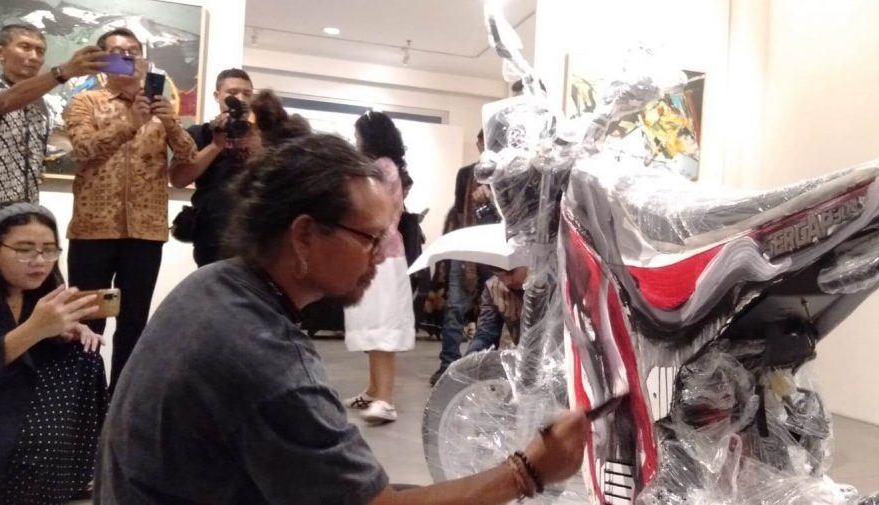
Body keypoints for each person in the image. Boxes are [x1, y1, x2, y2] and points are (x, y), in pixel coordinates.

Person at [93, 90, 588, 504]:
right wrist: (528, 471)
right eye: (369, 239)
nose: (379, 255)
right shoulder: (265, 358)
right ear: (304, 235)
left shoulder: (212, 285)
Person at [63, 28, 196, 393]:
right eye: (117, 52)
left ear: (144, 60)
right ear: (102, 61)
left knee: (134, 320)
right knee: (88, 320)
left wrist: (170, 121)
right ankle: (83, 399)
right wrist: (130, 124)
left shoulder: (160, 107)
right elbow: (83, 149)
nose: (127, 57)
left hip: (146, 231)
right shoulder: (85, 102)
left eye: (133, 51)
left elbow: (189, 156)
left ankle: (121, 397)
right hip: (93, 228)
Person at [0, 202, 106, 503]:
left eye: (49, 250)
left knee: (85, 354)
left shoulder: (40, 295)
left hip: (20, 387)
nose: (39, 261)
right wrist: (35, 329)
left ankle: (71, 474)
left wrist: (65, 332)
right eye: (24, 250)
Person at [342, 111, 415, 424]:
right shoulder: (384, 166)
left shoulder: (382, 168)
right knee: (372, 324)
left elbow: (372, 211)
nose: (355, 141)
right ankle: (374, 391)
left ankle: (385, 400)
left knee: (382, 327)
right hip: (377, 253)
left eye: (358, 136)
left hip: (381, 255)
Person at [0, 24, 107, 202]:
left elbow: (62, 141)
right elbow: (6, 101)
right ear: (0, 53)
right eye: (25, 47)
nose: (34, 57)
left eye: (40, 51)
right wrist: (64, 71)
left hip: (26, 207)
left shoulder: (44, 103)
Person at [170, 68, 260, 267]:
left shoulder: (263, 137)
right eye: (232, 92)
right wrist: (215, 145)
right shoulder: (199, 134)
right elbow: (178, 179)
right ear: (216, 96)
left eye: (247, 94)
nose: (240, 99)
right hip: (211, 233)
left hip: (254, 234)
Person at [430, 129, 492, 386]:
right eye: (484, 141)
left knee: (491, 310)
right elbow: (458, 211)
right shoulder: (466, 174)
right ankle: (447, 364)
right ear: (478, 143)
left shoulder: (504, 175)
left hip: (493, 248)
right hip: (466, 247)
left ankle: (478, 365)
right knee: (455, 307)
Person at [465, 266, 526, 356]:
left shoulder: (546, 283)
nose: (507, 282)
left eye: (511, 273)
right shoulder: (494, 287)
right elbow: (486, 333)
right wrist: (474, 354)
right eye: (500, 276)